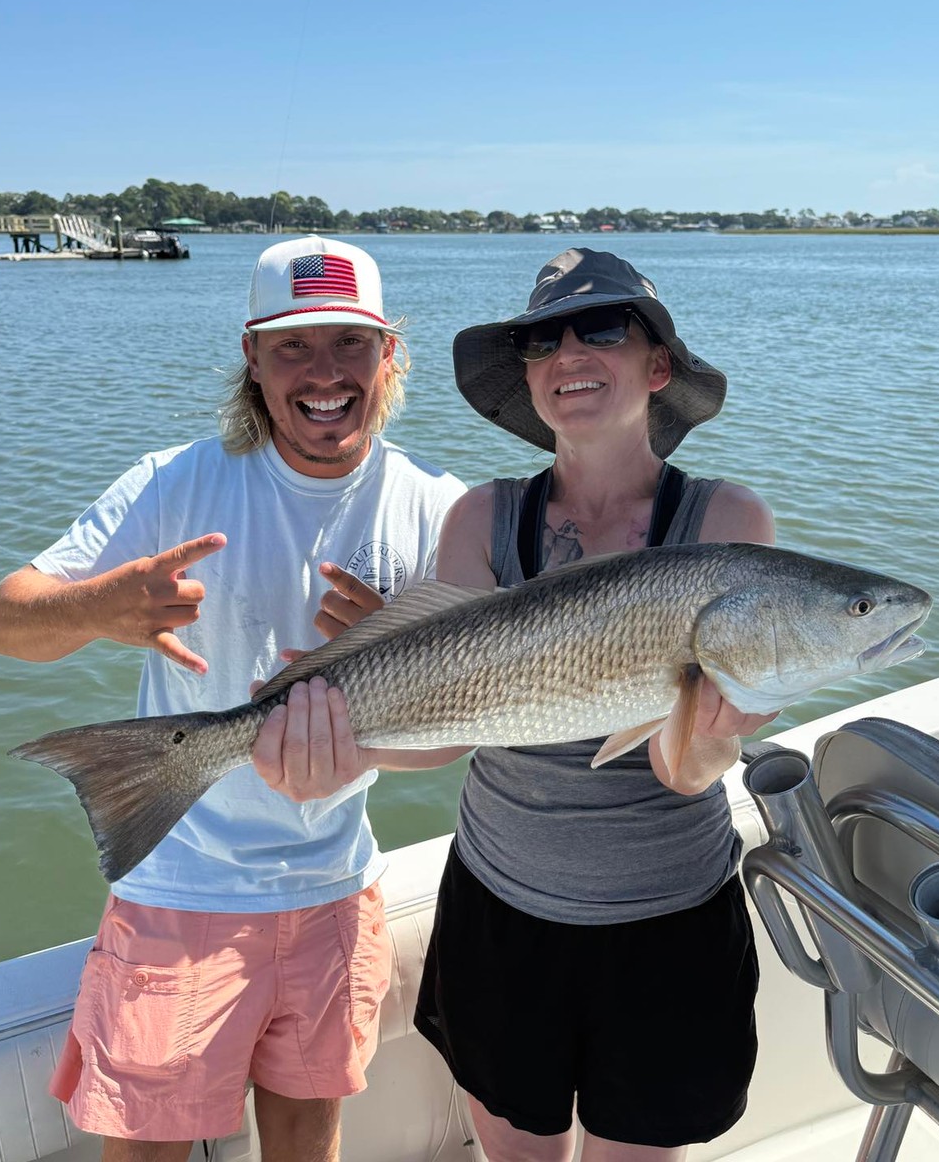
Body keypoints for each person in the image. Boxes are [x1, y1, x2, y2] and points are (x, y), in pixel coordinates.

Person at [252, 247, 778, 1162]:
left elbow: (681, 772)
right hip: (501, 916)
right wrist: (344, 747)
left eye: (603, 327)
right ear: (530, 376)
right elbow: (441, 738)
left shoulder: (726, 530)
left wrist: (713, 742)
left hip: (668, 925)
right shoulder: (482, 519)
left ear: (658, 367)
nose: (571, 350)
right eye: (544, 338)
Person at [0, 236, 466, 1161]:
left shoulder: (442, 510)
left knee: (307, 1139)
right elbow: (6, 623)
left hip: (335, 888)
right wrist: (102, 607)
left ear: (388, 354)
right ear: (252, 355)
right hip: (180, 892)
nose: (324, 373)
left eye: (349, 344)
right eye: (293, 346)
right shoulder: (175, 482)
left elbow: (466, 729)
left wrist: (398, 669)